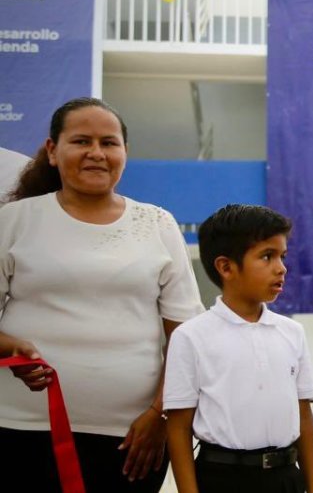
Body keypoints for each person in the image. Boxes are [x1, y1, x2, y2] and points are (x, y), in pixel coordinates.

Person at [0, 97, 204, 493]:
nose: (96, 153)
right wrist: (10, 346)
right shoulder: (14, 220)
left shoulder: (158, 224)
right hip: (21, 429)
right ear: (52, 151)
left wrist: (159, 416)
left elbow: (186, 338)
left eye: (109, 143)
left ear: (125, 152)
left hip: (133, 439)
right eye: (81, 141)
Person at [163, 204, 313, 493]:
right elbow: (178, 427)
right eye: (267, 256)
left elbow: (305, 418)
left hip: (286, 478)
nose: (281, 268)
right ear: (226, 267)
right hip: (222, 479)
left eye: (282, 256)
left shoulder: (292, 333)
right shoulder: (191, 337)